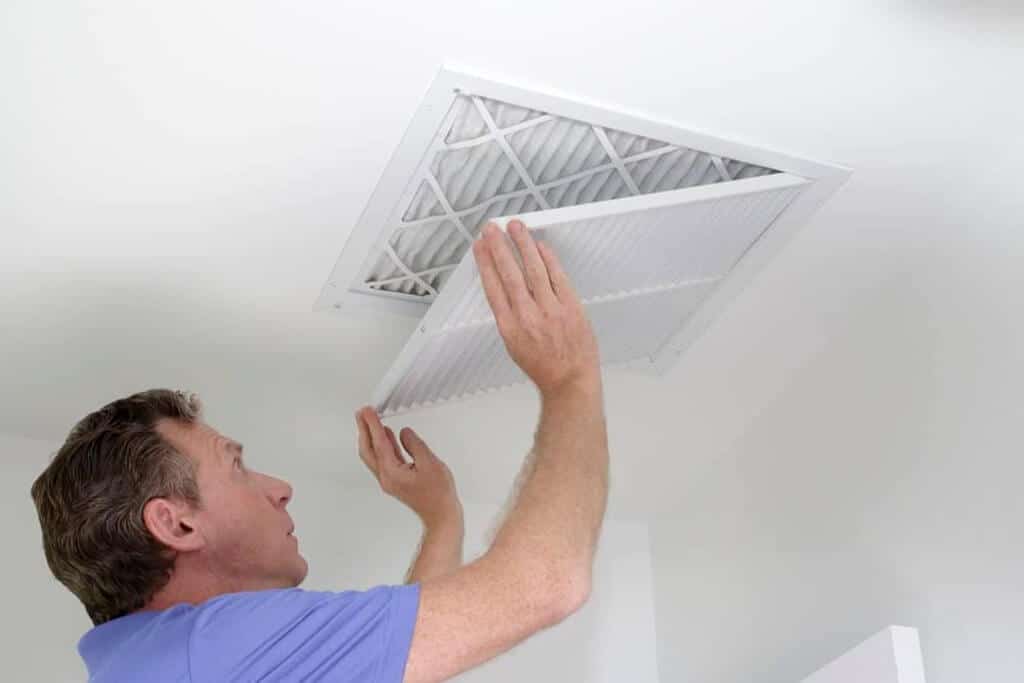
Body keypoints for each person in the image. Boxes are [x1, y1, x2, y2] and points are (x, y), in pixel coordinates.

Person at [31, 219, 610, 682]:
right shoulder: (211, 649)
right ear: (176, 523)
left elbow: (403, 659)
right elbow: (546, 583)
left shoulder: (162, 659)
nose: (279, 487)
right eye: (237, 466)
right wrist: (571, 381)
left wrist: (441, 518)